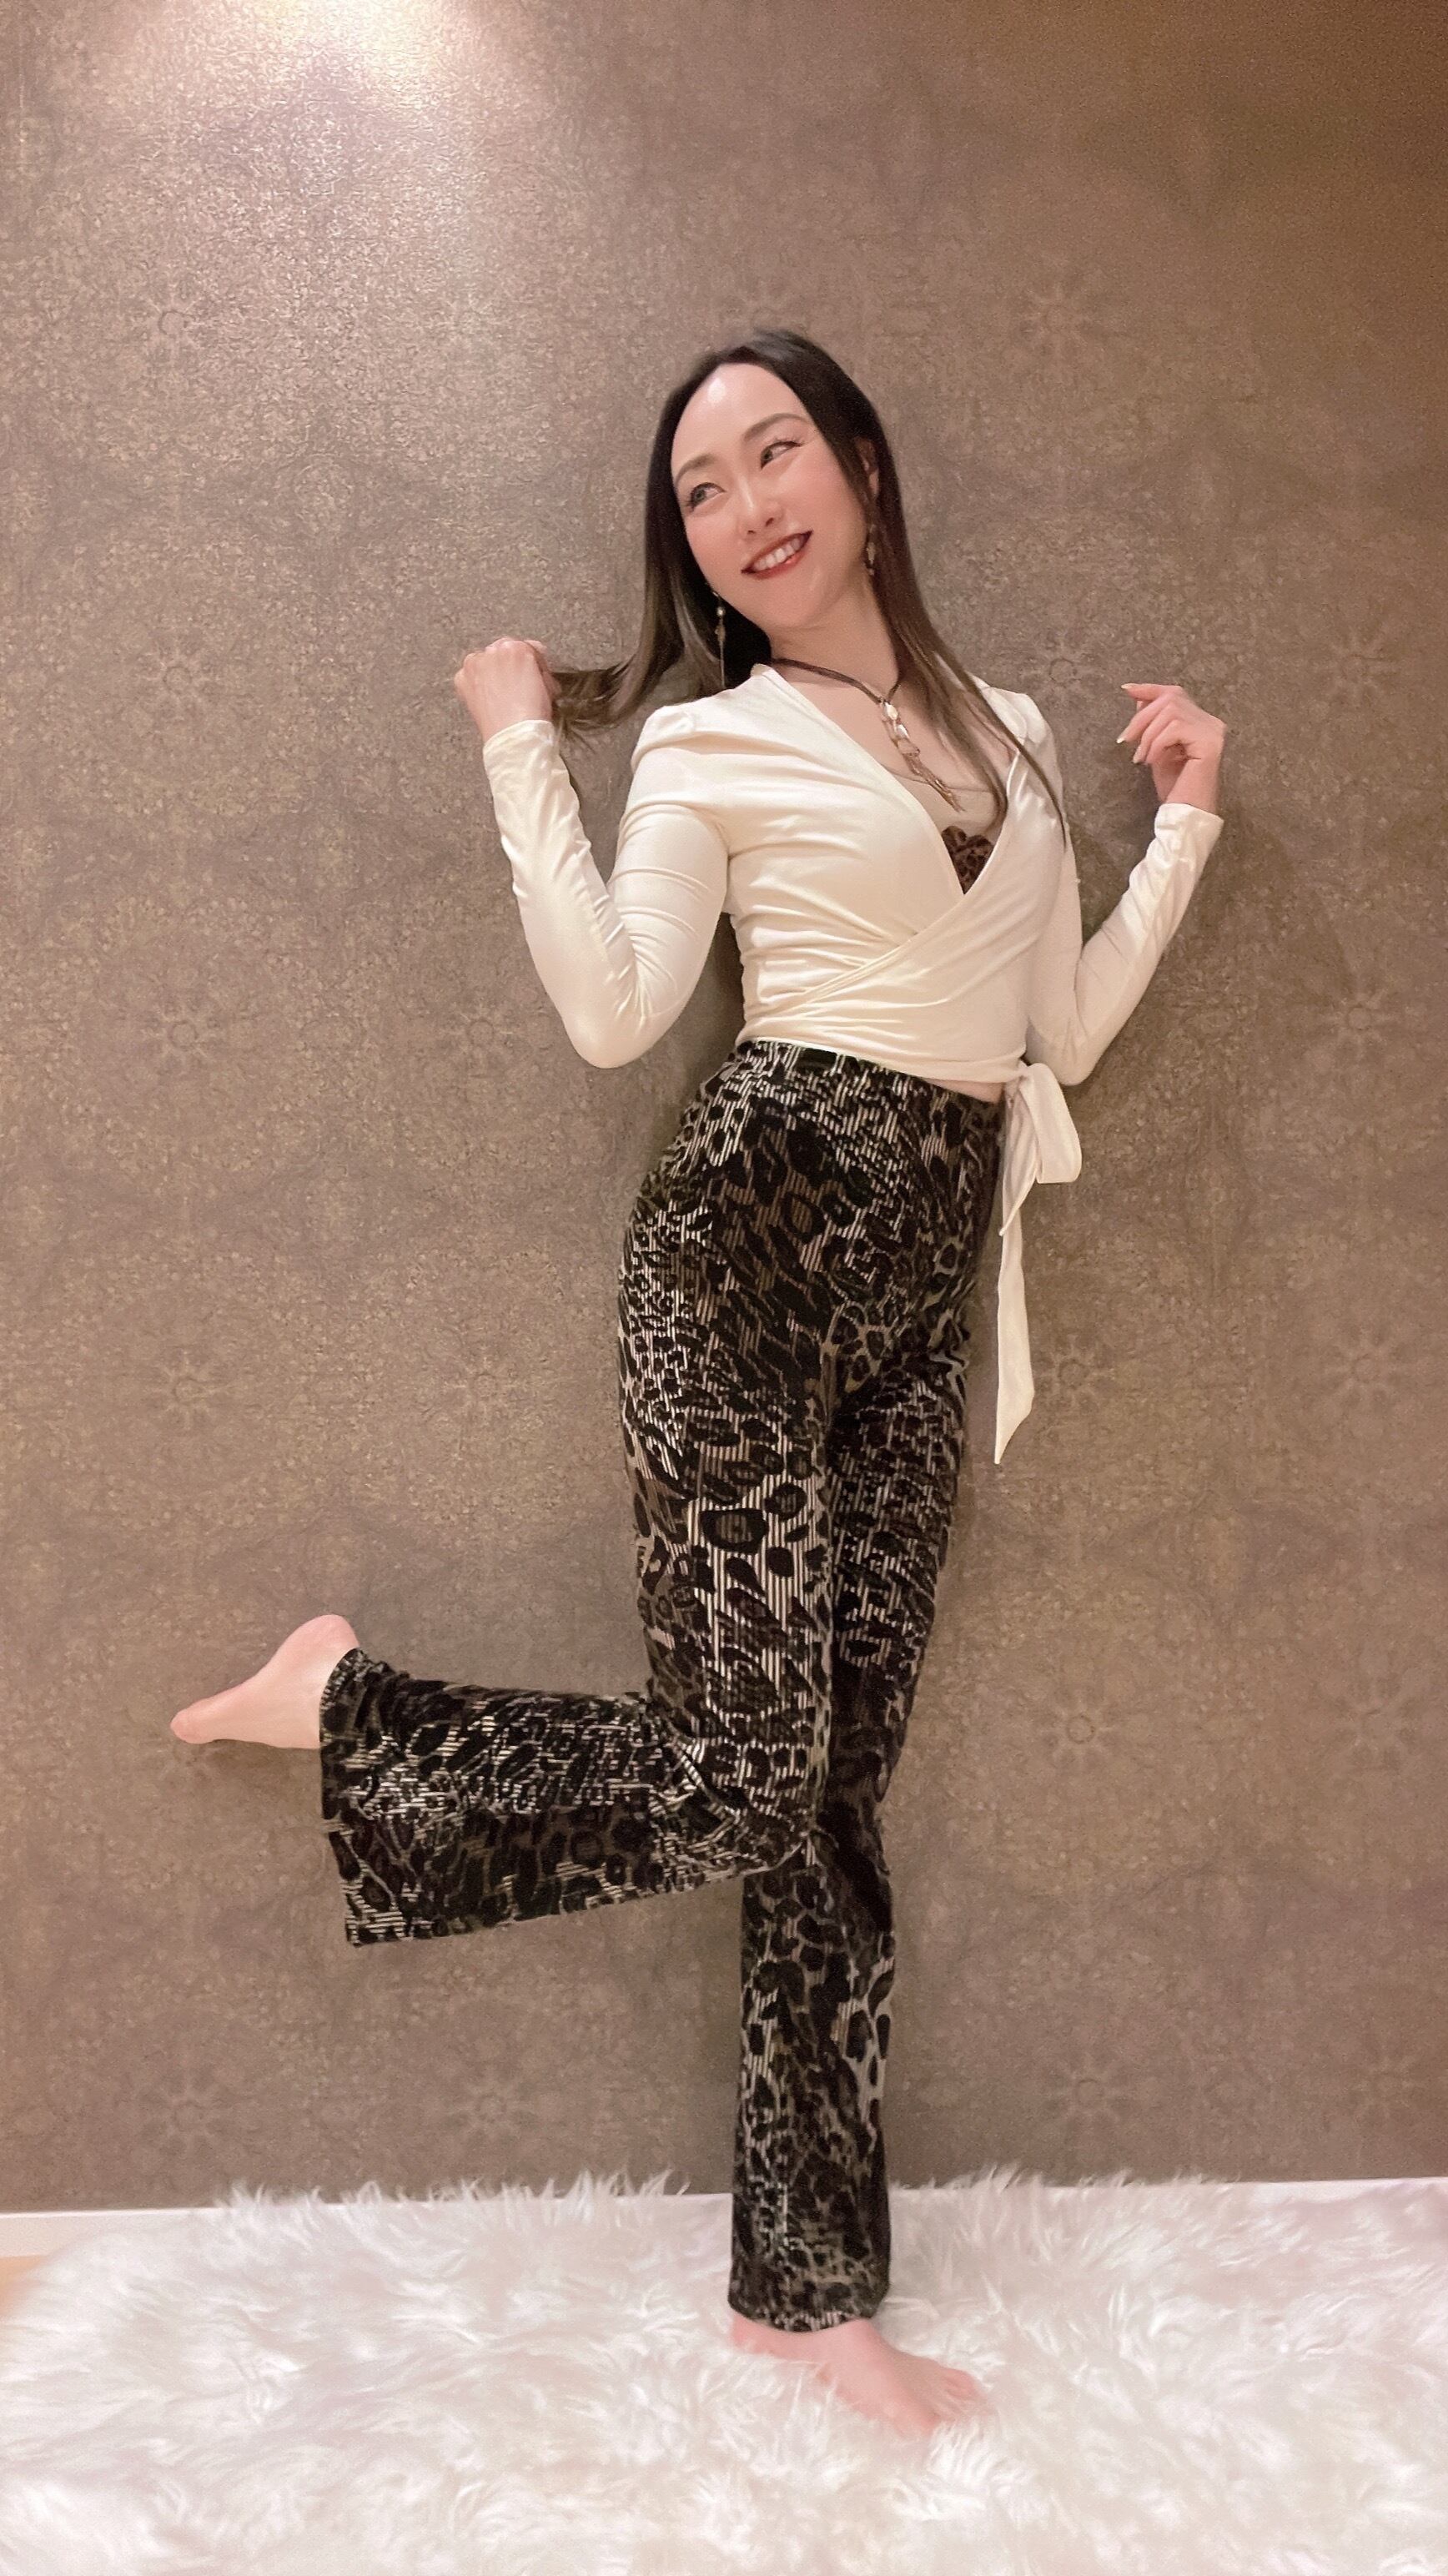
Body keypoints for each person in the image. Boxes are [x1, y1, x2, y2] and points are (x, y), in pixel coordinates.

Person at [170, 327, 1226, 2443]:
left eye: (774, 451)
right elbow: (612, 1007)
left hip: (924, 1294)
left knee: (828, 1796)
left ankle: (805, 2299)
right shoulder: (709, 744)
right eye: (701, 490)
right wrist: (515, 747)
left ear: (859, 465)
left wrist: (1182, 821)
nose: (745, 506)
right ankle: (351, 1709)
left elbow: (1061, 1031)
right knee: (751, 1771)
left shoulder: (1015, 736)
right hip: (739, 1260)